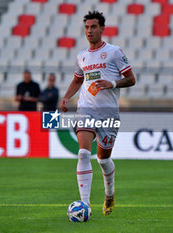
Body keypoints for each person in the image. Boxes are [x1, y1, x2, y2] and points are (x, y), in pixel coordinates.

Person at [60, 11, 136, 216]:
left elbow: (131, 79)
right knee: (84, 153)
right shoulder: (81, 56)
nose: (89, 31)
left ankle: (109, 194)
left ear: (102, 29)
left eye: (93, 27)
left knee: (103, 160)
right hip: (86, 109)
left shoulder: (114, 52)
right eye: (86, 27)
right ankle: (85, 205)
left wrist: (111, 83)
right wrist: (67, 97)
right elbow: (78, 79)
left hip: (109, 114)